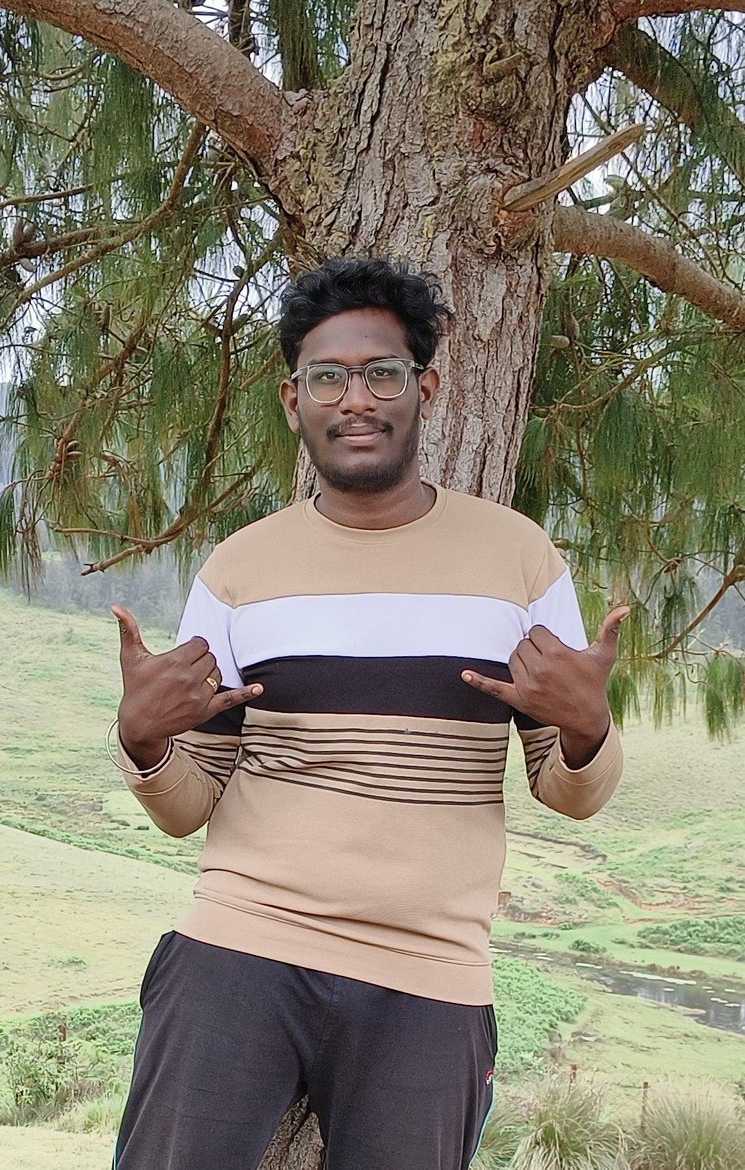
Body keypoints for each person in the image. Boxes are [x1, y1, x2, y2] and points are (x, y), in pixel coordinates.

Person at [110, 258, 627, 1170]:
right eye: (329, 378)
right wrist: (143, 741)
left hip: (432, 973)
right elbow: (189, 806)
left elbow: (570, 792)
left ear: (425, 388)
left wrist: (587, 730)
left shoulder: (520, 559)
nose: (356, 399)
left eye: (382, 373)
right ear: (293, 400)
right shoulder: (238, 571)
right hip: (239, 948)